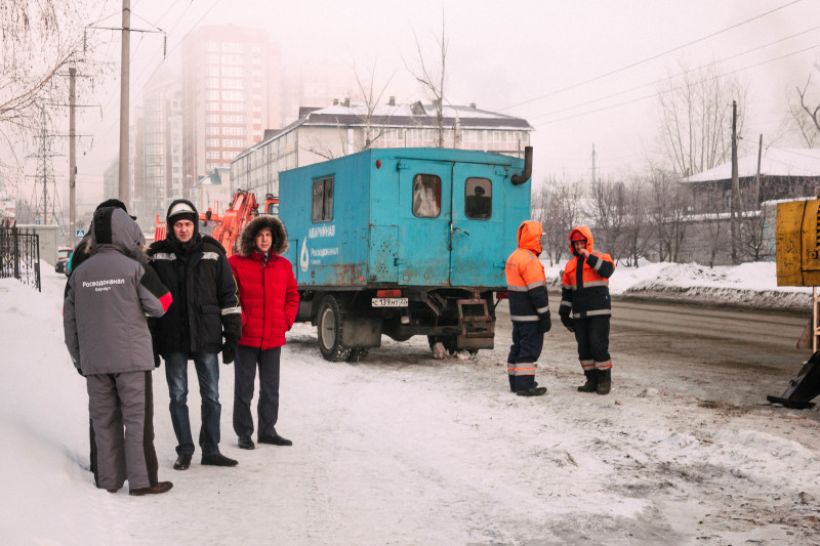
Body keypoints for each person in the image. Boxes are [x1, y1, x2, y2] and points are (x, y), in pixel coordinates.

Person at [63, 206, 174, 496]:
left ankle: (108, 482)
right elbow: (161, 305)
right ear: (127, 232)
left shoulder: (79, 273)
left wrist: (78, 357)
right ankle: (141, 482)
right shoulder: (135, 268)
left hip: (95, 361)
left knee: (104, 421)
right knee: (136, 421)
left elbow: (69, 321)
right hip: (132, 360)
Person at [148, 199, 242, 470]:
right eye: (179, 225)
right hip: (173, 337)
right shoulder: (158, 255)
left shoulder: (213, 253)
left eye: (188, 224)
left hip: (207, 336)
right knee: (178, 396)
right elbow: (150, 302)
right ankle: (185, 450)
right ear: (171, 227)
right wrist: (152, 342)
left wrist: (232, 335)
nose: (184, 229)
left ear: (195, 226)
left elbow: (228, 295)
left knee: (211, 395)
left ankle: (211, 449)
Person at [228, 215, 299, 449]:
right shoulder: (236, 263)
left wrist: (285, 321)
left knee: (271, 389)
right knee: (244, 389)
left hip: (273, 338)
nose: (265, 239)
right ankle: (244, 433)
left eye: (268, 235)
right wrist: (243, 323)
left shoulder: (284, 266)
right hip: (246, 338)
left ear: (274, 238)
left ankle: (267, 430)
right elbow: (232, 297)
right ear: (252, 238)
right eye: (260, 235)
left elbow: (292, 296)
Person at [559, 226, 616, 395]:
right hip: (580, 315)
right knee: (584, 349)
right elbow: (567, 293)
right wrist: (563, 314)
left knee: (598, 346)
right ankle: (591, 380)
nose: (578, 246)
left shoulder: (601, 258)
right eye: (576, 243)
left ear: (588, 242)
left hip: (599, 314)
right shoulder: (570, 266)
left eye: (581, 242)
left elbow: (607, 271)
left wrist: (587, 256)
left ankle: (604, 380)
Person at [504, 220, 551, 396]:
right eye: (540, 237)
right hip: (531, 317)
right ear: (535, 238)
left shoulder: (513, 257)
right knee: (529, 351)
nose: (541, 241)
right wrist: (545, 316)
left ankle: (515, 382)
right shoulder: (530, 260)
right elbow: (537, 293)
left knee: (517, 347)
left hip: (517, 315)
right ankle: (525, 385)